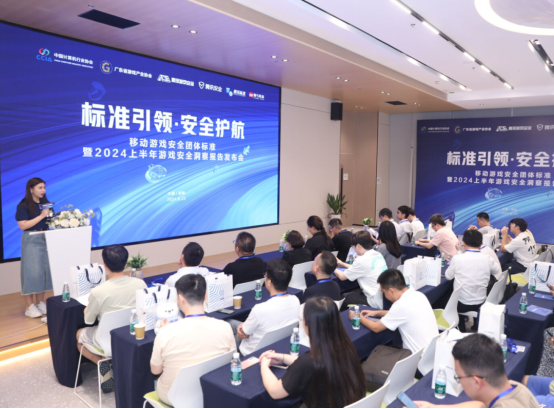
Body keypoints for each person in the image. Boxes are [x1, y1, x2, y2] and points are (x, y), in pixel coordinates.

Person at [259, 297, 366, 407]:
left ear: (310, 324)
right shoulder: (345, 346)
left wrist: (264, 365)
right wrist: (282, 357)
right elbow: (315, 363)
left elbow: (275, 392)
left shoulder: (308, 362)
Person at [150, 274, 235, 407]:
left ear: (180, 298)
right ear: (206, 296)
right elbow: (231, 359)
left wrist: (165, 331)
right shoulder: (225, 327)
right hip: (211, 391)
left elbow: (155, 370)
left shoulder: (165, 332)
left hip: (173, 396)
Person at [76, 245, 147, 393]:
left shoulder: (98, 292)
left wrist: (86, 310)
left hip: (105, 339)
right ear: (126, 262)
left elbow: (89, 320)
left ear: (104, 264)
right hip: (130, 336)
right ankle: (111, 362)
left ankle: (103, 363)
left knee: (78, 336)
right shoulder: (140, 284)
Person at [414, 334, 539, 408]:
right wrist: (435, 407)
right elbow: (480, 405)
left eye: (458, 377)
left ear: (476, 382)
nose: (459, 381)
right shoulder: (515, 388)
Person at [349, 269, 438, 354]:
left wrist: (357, 317)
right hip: (433, 352)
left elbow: (376, 328)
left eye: (384, 292)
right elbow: (401, 314)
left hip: (416, 358)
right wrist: (376, 313)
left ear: (391, 290)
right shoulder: (418, 295)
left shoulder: (400, 305)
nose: (385, 296)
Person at [234, 259, 300, 356]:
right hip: (279, 345)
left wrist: (242, 328)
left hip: (252, 352)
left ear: (269, 282)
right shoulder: (296, 300)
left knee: (230, 327)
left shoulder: (259, 309)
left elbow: (243, 333)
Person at [446, 230, 500, 332]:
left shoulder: (458, 258)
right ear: (480, 244)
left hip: (462, 304)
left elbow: (448, 276)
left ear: (464, 243)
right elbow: (496, 270)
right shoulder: (487, 258)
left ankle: (461, 329)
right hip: (482, 301)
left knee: (445, 298)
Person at [15, 178, 53, 319]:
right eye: (40, 187)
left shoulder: (46, 204)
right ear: (31, 189)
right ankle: (29, 306)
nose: (43, 190)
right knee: (31, 272)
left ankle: (40, 302)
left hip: (46, 238)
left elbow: (51, 221)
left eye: (44, 187)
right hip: (31, 239)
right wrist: (42, 216)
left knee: (42, 272)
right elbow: (23, 225)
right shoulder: (24, 204)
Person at [335, 231, 388, 310]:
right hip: (383, 297)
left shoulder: (361, 260)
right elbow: (360, 268)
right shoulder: (377, 254)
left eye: (353, 246)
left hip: (373, 300)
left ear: (358, 246)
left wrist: (332, 267)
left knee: (342, 298)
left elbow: (342, 277)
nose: (353, 249)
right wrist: (343, 264)